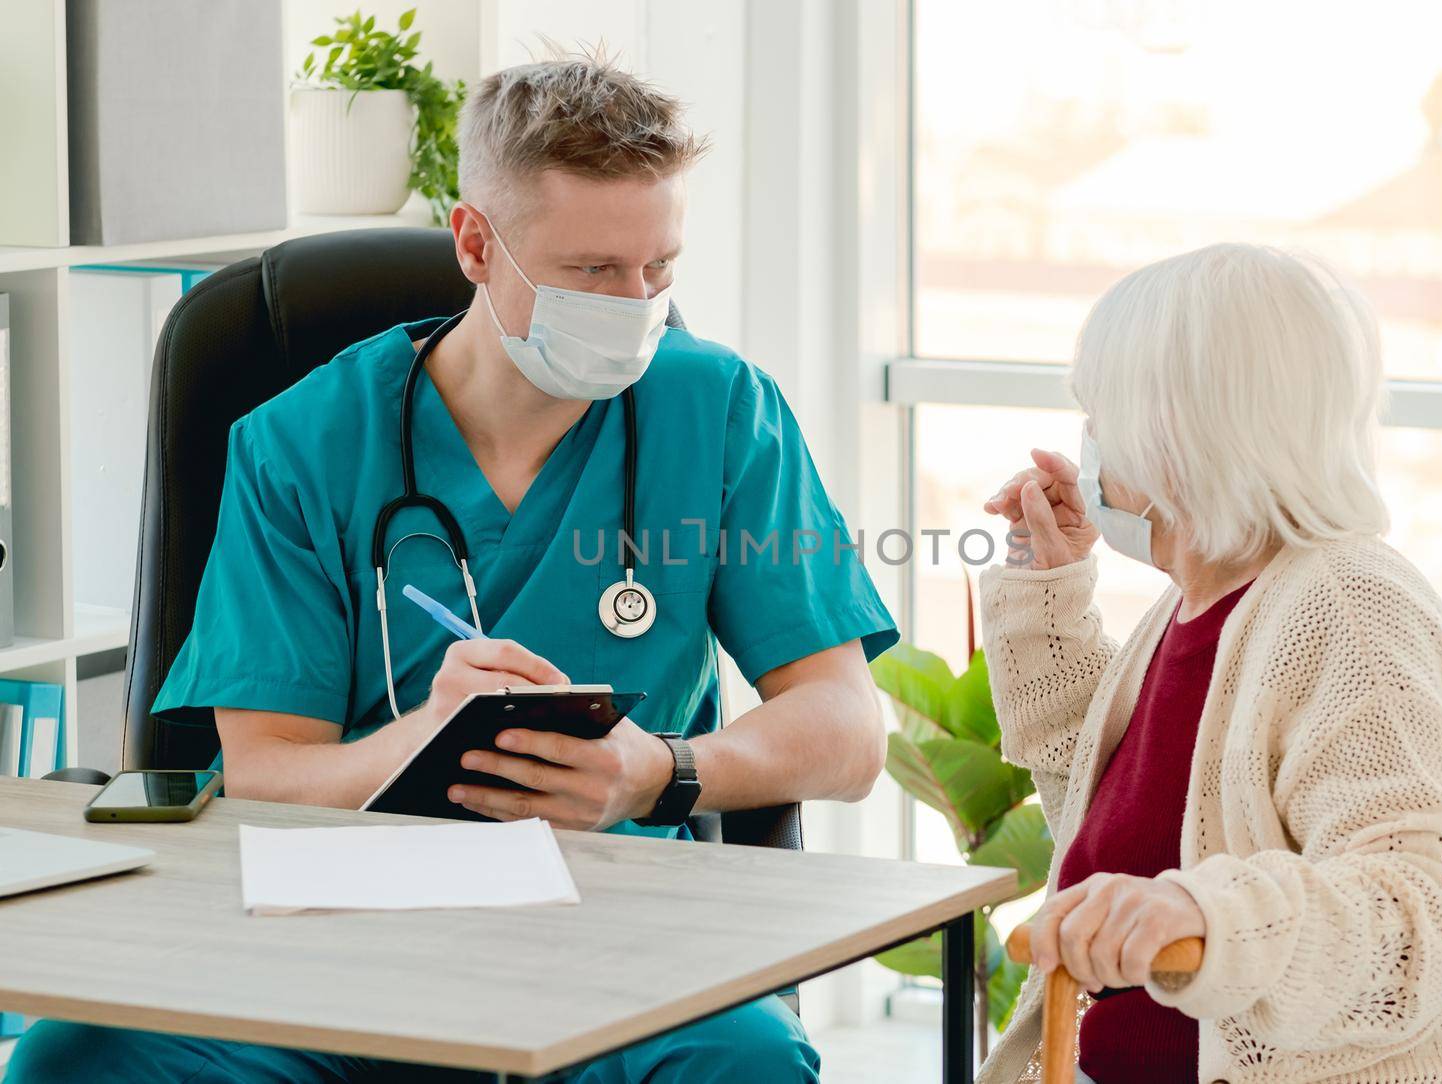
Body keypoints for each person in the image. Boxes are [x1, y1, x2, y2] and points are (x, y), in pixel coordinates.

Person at [7, 55, 896, 1084]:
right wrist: (423, 735)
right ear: (477, 244)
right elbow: (264, 769)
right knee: (76, 1061)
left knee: (745, 1064)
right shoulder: (304, 440)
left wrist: (662, 768)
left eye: (660, 268)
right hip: (324, 937)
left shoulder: (722, 411)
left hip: (614, 937)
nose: (637, 303)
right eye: (594, 272)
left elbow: (846, 730)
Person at [975, 244, 1442, 1084]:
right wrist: (1048, 589)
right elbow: (1101, 799)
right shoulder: (1197, 603)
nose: (1091, 451)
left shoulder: (1349, 605)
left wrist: (1200, 910)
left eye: (1101, 416)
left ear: (1173, 432)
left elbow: (1412, 911)